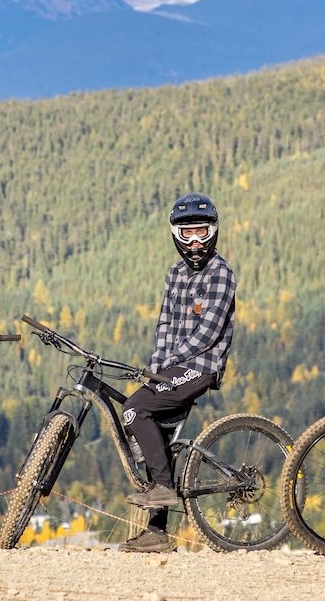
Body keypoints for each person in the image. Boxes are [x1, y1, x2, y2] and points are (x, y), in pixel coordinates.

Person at [118, 193, 237, 553]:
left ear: (213, 232)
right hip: (174, 366)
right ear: (176, 235)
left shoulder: (221, 273)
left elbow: (209, 333)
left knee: (134, 410)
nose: (195, 241)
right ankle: (157, 534)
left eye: (201, 232)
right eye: (187, 234)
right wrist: (156, 365)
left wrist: (171, 363)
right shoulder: (174, 273)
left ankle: (165, 490)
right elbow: (166, 323)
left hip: (201, 366)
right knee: (160, 439)